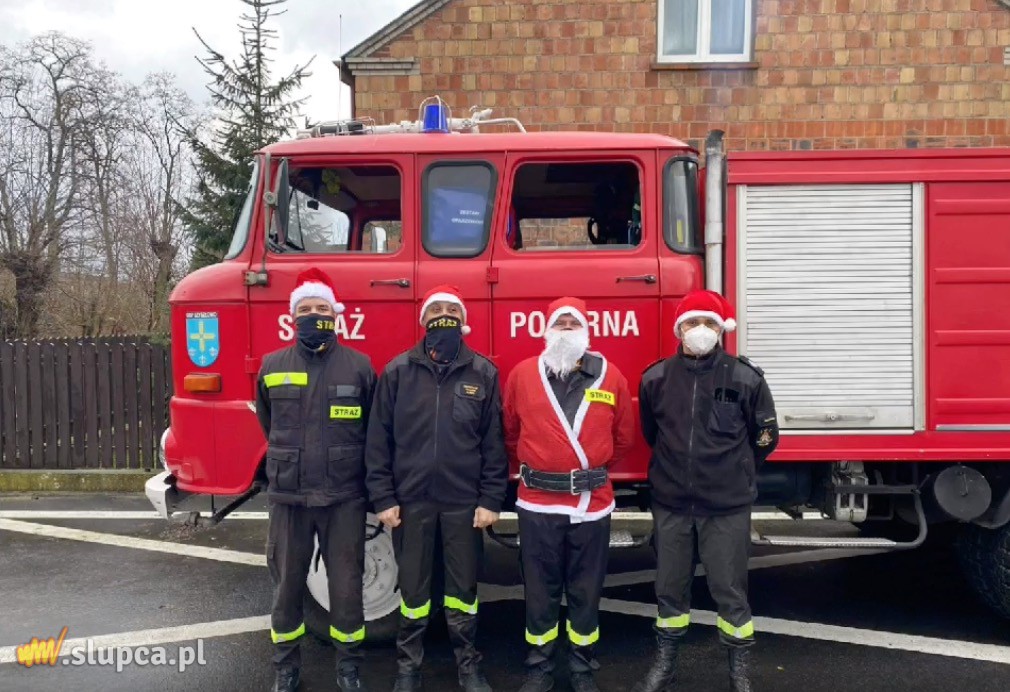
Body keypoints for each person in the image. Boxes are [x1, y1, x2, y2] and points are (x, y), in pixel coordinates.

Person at [633, 290, 779, 692]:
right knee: (669, 589)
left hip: (726, 505)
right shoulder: (656, 378)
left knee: (729, 589)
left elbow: (765, 437)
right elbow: (651, 432)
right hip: (672, 503)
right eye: (693, 323)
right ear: (678, 329)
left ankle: (738, 671)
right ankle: (665, 666)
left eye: (710, 323)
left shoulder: (745, 377)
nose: (701, 330)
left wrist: (734, 470)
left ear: (722, 329)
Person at [365, 284, 508, 692]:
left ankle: (468, 665)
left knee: (463, 590)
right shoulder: (397, 372)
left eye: (452, 309)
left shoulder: (483, 373)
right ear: (423, 320)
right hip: (411, 504)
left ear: (463, 321)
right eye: (436, 309)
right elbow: (378, 442)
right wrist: (384, 498)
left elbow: (494, 444)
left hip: (464, 504)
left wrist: (490, 499)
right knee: (413, 591)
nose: (444, 315)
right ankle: (408, 669)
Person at [503, 297, 635, 692]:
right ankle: (539, 665)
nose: (565, 329)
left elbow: (623, 437)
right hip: (537, 503)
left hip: (591, 505)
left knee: (585, 589)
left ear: (586, 331)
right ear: (546, 330)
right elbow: (510, 432)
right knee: (539, 589)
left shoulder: (610, 376)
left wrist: (588, 468)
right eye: (558, 323)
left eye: (572, 323)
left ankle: (581, 665)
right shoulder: (523, 375)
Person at [255, 268, 377, 692]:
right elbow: (267, 421)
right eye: (306, 309)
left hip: (344, 497)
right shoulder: (272, 365)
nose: (314, 315)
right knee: (287, 587)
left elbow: (372, 430)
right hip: (289, 498)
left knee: (347, 588)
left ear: (336, 314)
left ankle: (349, 668)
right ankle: (285, 668)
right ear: (293, 317)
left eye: (322, 308)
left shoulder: (360, 367)